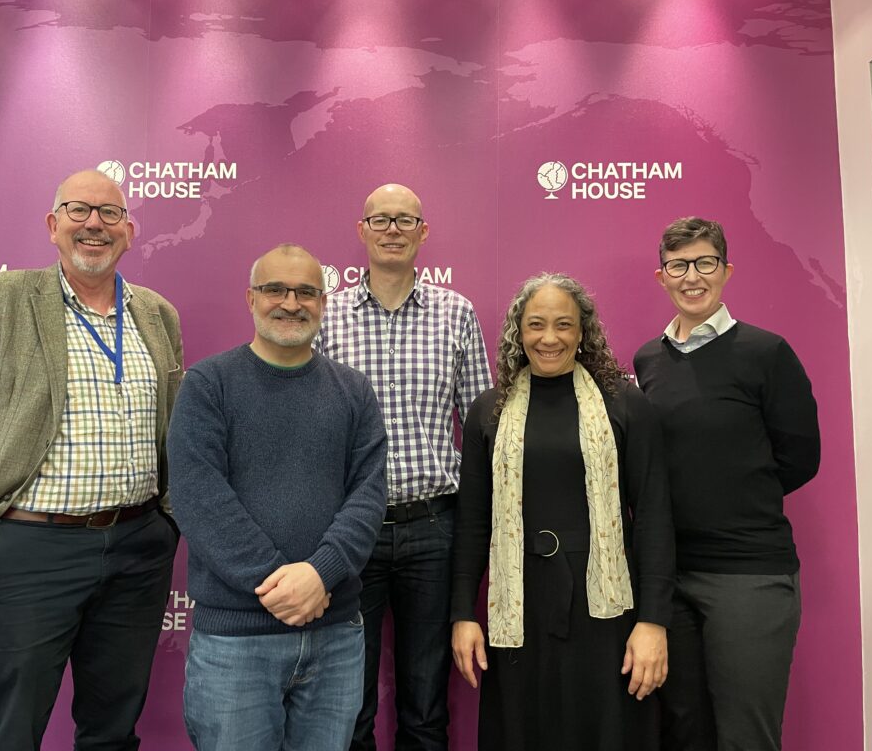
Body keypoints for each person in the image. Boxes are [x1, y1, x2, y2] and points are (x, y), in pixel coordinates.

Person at [0, 169, 183, 750]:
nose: (94, 223)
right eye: (79, 210)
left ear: (130, 232)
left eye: (110, 214)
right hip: (25, 549)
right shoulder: (1, 299)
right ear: (52, 225)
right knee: (10, 733)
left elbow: (175, 432)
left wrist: (169, 525)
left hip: (137, 549)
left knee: (112, 732)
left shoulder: (158, 315)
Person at [169, 243, 388, 751]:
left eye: (307, 292)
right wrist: (281, 586)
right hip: (235, 641)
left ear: (323, 302)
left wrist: (319, 575)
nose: (291, 302)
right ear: (250, 298)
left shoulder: (354, 391)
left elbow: (368, 495)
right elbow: (199, 498)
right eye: (275, 289)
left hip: (336, 635)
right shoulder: (208, 384)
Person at [450, 273, 675, 751]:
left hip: (608, 606)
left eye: (563, 325)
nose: (549, 338)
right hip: (519, 603)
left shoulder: (626, 404)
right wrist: (462, 615)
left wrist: (654, 622)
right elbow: (472, 524)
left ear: (582, 332)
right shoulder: (488, 411)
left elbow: (653, 516)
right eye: (536, 325)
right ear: (518, 332)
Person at [314, 183, 493, 750]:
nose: (393, 229)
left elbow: (482, 425)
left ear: (423, 232)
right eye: (381, 219)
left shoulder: (456, 313)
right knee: (348, 702)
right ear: (362, 230)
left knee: (425, 701)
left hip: (435, 529)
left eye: (405, 220)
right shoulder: (327, 314)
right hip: (348, 530)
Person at [633, 217, 820, 751]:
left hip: (749, 574)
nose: (692, 276)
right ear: (662, 276)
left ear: (726, 270)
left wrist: (734, 496)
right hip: (669, 577)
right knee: (684, 732)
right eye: (678, 266)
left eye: (704, 263)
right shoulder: (648, 360)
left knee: (746, 738)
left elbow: (799, 459)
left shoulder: (766, 352)